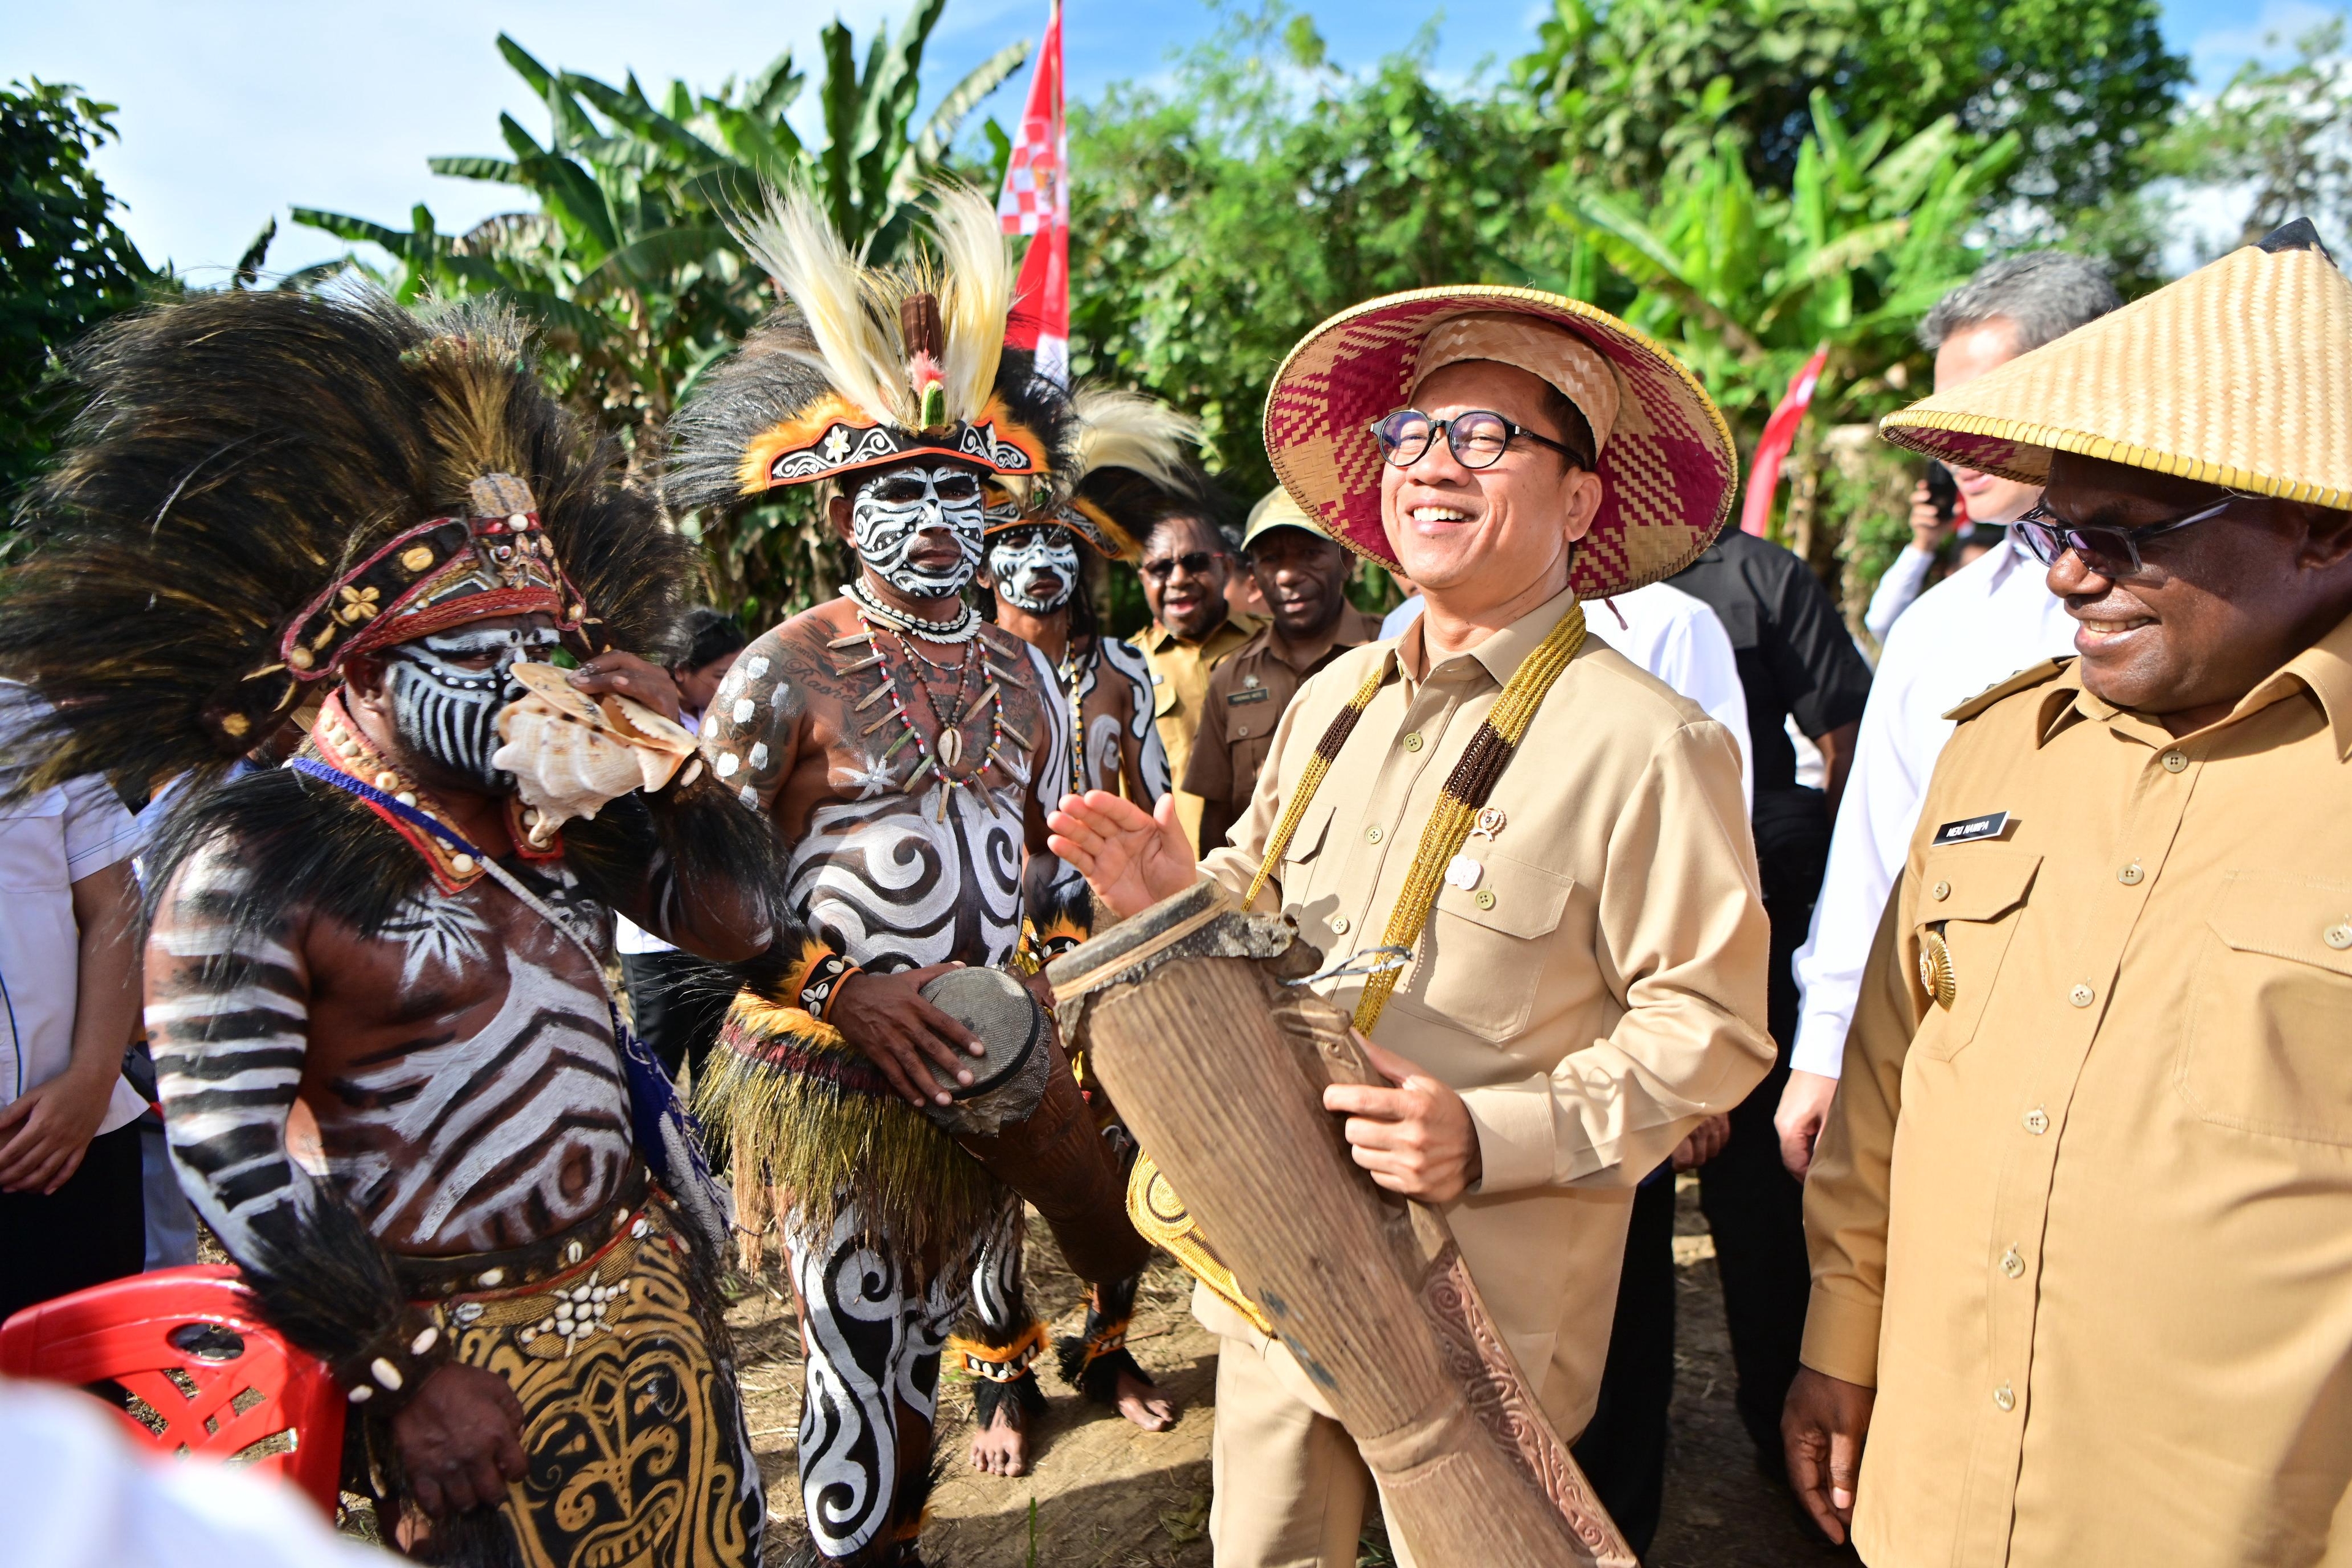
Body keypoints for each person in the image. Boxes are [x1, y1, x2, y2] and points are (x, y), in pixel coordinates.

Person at [0, 289, 798, 1566]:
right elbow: (230, 1157)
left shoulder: (544, 801)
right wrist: (404, 1371)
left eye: (546, 647)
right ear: (365, 671)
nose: (534, 684)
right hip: (453, 1352)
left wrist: (678, 769)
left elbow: (745, 923)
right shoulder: (255, 857)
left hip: (645, 1293)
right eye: (484, 654)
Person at [1050, 287, 1773, 1567]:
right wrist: (1179, 896)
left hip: (1483, 1311)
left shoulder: (1650, 743)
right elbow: (1257, 903)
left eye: (1487, 437)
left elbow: (1710, 1030)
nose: (1432, 463)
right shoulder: (1339, 695)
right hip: (1282, 1259)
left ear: (1581, 502)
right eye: (1409, 433)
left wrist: (1489, 1135)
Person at [1785, 219, 2352, 1566]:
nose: (2068, 573)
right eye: (2055, 526)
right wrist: (1841, 1340)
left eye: (2123, 534)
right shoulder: (1999, 748)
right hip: (1934, 1499)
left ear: (2319, 528)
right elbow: (1887, 1082)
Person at [666, 184, 1114, 1560]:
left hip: (982, 1059)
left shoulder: (1028, 680)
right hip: (836, 1069)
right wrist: (834, 989)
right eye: (898, 494)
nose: (932, 519)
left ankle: (899, 1541)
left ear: (995, 511)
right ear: (837, 513)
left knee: (932, 1330)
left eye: (957, 492)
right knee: (855, 1351)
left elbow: (1041, 867)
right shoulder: (779, 672)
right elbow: (698, 883)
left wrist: (1067, 984)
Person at [1777, 251, 2121, 1178]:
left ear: (2087, 378)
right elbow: (1876, 853)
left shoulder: (2222, 601)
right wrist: (1825, 1046)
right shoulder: (1939, 627)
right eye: (1942, 416)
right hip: (1963, 1051)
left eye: (1984, 406)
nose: (1955, 444)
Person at [971, 383, 1195, 1459]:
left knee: (1118, 1131)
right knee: (985, 1145)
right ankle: (999, 1370)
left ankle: (1107, 1345)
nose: (1038, 562)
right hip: (983, 940)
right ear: (983, 564)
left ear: (1088, 561)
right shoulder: (953, 674)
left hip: (1099, 938)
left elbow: (1158, 802)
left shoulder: (1124, 673)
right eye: (1015, 543)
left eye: (1059, 542)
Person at [1663, 524, 1874, 1476]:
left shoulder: (1761, 576)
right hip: (1599, 939)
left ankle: (1778, 1426)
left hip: (1757, 919)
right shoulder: (1546, 571)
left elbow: (1846, 741)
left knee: (1758, 1193)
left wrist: (1824, 903)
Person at [0, 681, 147, 1325]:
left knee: (78, 1376)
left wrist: (92, 1077)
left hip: (72, 1141)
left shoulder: (25, 716)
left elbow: (115, 905)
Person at [1185, 488, 1384, 851]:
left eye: (1310, 554)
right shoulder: (1230, 678)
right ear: (1253, 576)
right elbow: (1217, 814)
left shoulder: (1393, 652)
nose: (1288, 575)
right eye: (1271, 559)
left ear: (1347, 557)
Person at [616, 607, 748, 1093]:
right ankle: (648, 1141)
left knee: (717, 1063)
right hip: (656, 936)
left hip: (717, 928)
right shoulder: (635, 728)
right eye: (720, 675)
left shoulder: (726, 722)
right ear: (679, 672)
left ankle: (711, 1144)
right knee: (657, 1064)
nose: (731, 686)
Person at [1127, 504, 1261, 853]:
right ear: (1143, 579)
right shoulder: (1125, 669)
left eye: (1196, 562)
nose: (1178, 579)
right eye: (1161, 568)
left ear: (1226, 568)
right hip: (1175, 868)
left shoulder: (1274, 644)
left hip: (1275, 861)